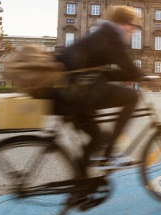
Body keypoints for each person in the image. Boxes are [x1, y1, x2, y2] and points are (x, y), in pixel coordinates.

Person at [52, 5, 145, 175]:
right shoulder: (112, 35)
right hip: (76, 92)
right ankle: (110, 153)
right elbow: (128, 68)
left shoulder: (103, 33)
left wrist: (130, 75)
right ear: (122, 23)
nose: (133, 30)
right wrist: (142, 75)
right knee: (132, 97)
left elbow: (106, 73)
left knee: (97, 138)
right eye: (132, 25)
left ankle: (80, 189)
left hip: (67, 92)